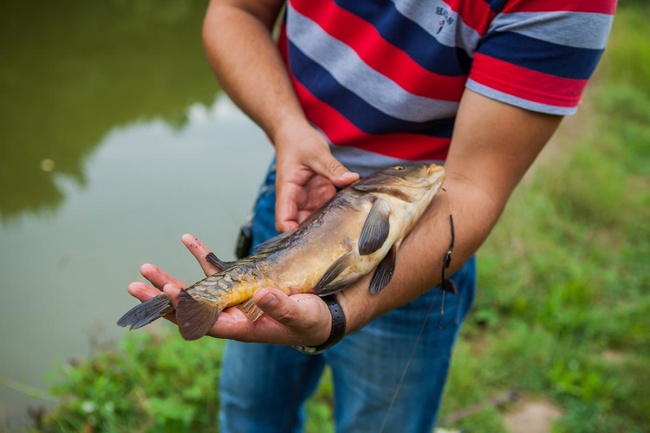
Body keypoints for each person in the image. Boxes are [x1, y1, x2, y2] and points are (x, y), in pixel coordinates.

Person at [127, 1, 616, 431]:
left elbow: (471, 185)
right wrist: (286, 126)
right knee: (250, 410)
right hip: (290, 202)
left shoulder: (571, 4)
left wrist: (338, 315)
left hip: (422, 246)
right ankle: (205, 298)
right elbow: (236, 11)